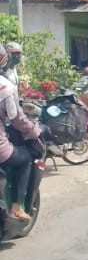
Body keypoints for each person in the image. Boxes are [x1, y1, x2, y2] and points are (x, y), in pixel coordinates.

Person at [0, 47, 42, 221]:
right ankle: (16, 208)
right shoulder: (5, 86)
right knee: (24, 159)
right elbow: (17, 120)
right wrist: (35, 130)